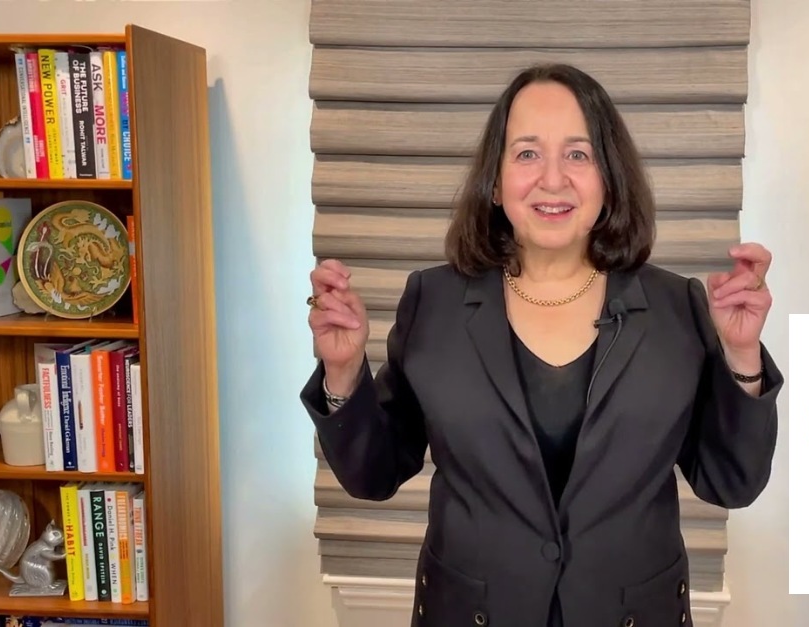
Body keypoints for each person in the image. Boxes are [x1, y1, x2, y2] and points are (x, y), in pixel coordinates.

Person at [302, 63, 783, 627]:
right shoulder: (433, 301)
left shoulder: (677, 306)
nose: (552, 180)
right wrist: (343, 370)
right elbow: (373, 474)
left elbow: (731, 482)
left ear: (609, 178)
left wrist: (742, 356)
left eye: (578, 154)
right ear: (495, 180)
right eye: (527, 153)